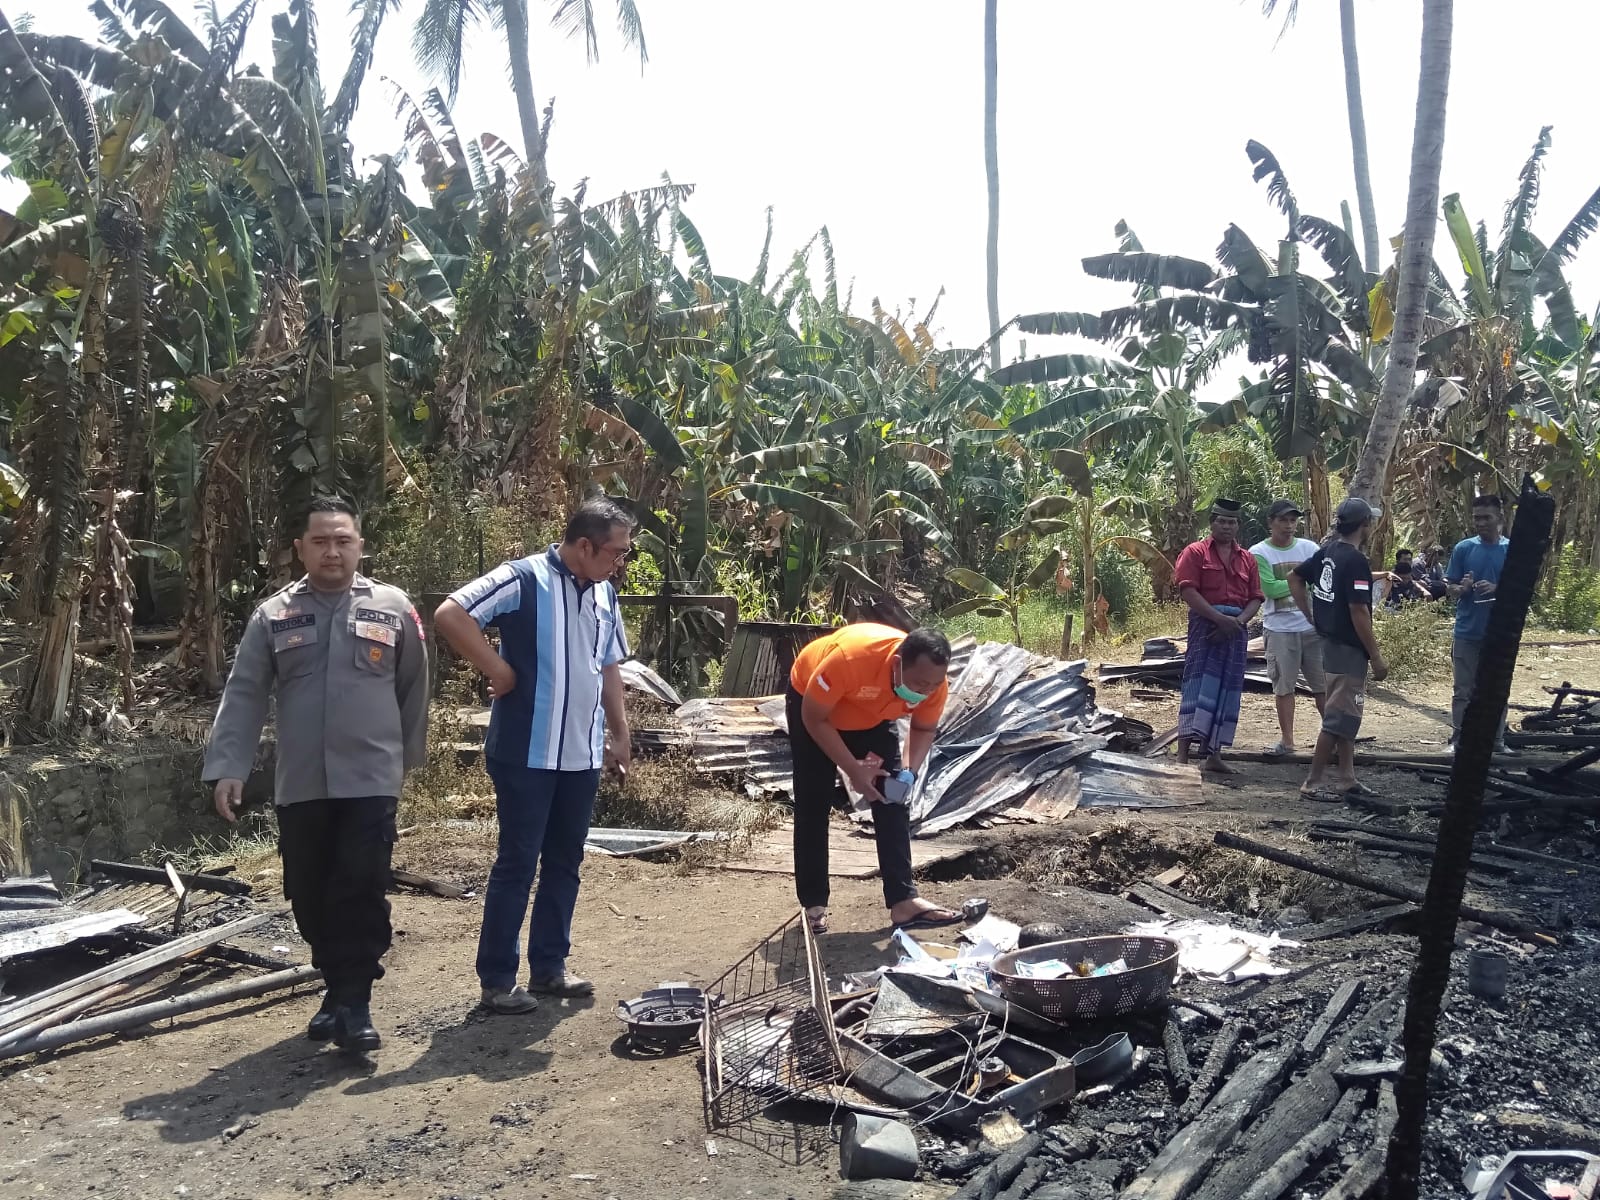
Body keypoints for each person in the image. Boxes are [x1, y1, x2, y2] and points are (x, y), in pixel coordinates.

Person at [204, 496, 430, 1052]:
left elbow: (414, 686)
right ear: (300, 548)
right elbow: (245, 693)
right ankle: (336, 988)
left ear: (360, 545)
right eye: (321, 541)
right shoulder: (274, 615)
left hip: (371, 777)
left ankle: (354, 1001)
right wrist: (229, 767)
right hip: (302, 781)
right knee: (308, 890)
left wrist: (405, 760)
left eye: (343, 540)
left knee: (361, 884)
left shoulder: (394, 607)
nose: (333, 550)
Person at [433, 498, 634, 1015]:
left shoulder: (605, 594)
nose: (621, 563)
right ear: (584, 545)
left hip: (581, 754)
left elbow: (608, 666)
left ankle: (550, 968)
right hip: (526, 751)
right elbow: (451, 614)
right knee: (518, 863)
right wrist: (498, 671)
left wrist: (619, 733)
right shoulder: (522, 579)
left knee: (566, 862)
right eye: (616, 553)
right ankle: (498, 979)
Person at [788, 623, 961, 935]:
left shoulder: (934, 685)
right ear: (897, 664)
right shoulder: (849, 660)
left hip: (873, 719)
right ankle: (813, 905)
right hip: (815, 710)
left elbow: (922, 729)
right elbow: (814, 717)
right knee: (814, 801)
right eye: (920, 683)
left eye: (933, 685)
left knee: (893, 796)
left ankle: (903, 901)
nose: (925, 692)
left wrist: (908, 772)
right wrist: (853, 769)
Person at [1288, 497, 1389, 801]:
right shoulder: (1355, 561)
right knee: (1336, 719)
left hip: (1330, 643)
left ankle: (1347, 776)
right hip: (1348, 647)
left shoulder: (1327, 552)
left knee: (1346, 713)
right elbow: (1359, 611)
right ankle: (1313, 781)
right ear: (1365, 525)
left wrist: (1310, 614)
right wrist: (1376, 655)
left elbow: (1294, 578)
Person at [1173, 498, 1264, 773]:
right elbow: (1188, 591)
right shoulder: (1195, 552)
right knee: (1197, 685)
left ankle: (1214, 755)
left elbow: (1256, 597)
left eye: (1232, 522)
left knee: (1228, 688)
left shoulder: (1247, 558)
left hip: (1236, 629)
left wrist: (1236, 622)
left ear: (1238, 525)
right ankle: (1183, 757)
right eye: (1221, 521)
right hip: (1205, 625)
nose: (1226, 526)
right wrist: (1218, 619)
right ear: (1212, 523)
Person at [1250, 500, 1327, 757]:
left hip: (1312, 628)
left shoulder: (1310, 548)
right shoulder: (1259, 552)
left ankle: (1333, 736)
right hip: (1279, 629)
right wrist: (1302, 579)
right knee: (1284, 687)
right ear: (1270, 522)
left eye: (1293, 520)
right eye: (1283, 520)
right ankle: (1287, 740)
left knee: (1323, 685)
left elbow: (1324, 582)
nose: (1289, 525)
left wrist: (1296, 581)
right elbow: (1268, 589)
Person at [1445, 495, 1518, 756]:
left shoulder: (1511, 550)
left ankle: (1496, 741)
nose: (1481, 523)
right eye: (1477, 518)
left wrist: (1498, 587)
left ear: (1500, 517)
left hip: (1500, 633)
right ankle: (1458, 740)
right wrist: (1460, 589)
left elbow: (1522, 590)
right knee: (1463, 690)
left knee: (1497, 689)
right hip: (1467, 632)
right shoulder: (1464, 548)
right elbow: (1449, 586)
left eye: (1486, 517)